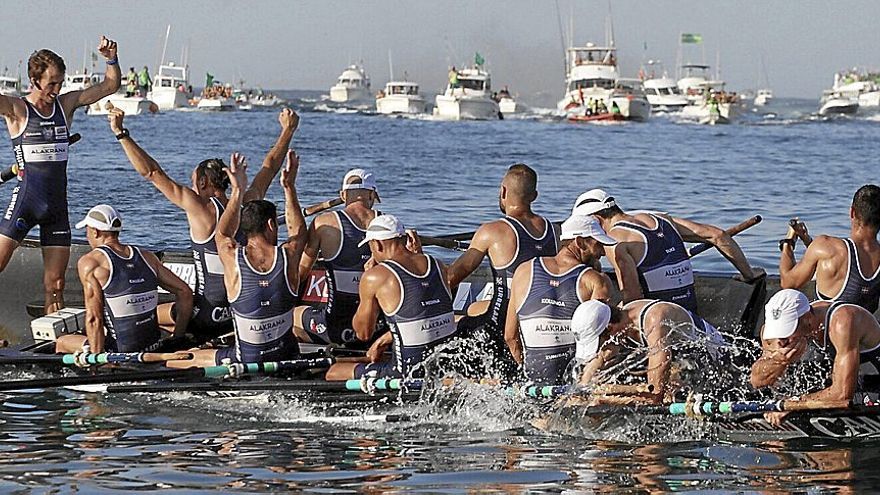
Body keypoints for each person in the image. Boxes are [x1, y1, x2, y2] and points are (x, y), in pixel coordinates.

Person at [108, 107, 301, 340]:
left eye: (192, 182)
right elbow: (269, 167)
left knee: (141, 314)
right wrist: (287, 131)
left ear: (202, 182)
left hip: (205, 316)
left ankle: (174, 341)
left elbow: (152, 172)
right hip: (238, 312)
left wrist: (121, 133)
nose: (191, 188)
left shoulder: (199, 207)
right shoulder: (247, 202)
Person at [0, 36, 120, 315]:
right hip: (25, 203)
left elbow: (110, 86)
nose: (57, 88)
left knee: (55, 284)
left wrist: (111, 58)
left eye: (60, 82)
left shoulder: (65, 105)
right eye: (52, 83)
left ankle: (55, 341)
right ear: (35, 80)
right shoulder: (17, 109)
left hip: (56, 209)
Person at [168, 150, 306, 367]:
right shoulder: (289, 255)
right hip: (287, 356)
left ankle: (167, 354)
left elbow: (222, 235)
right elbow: (298, 231)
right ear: (272, 225)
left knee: (174, 361)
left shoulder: (232, 257)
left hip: (244, 360)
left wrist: (238, 190)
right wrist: (289, 188)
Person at [573, 189, 763, 314]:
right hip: (690, 311)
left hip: (660, 319)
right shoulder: (660, 218)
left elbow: (632, 298)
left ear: (596, 220)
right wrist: (748, 274)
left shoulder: (615, 241)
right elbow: (718, 235)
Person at [448, 164, 558, 373]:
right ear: (534, 195)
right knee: (472, 310)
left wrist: (417, 260)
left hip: (500, 325)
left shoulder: (493, 231)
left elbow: (451, 278)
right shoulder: (554, 231)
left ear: (503, 191)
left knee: (450, 328)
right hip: (540, 317)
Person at [325, 215, 458, 380]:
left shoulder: (375, 276)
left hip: (408, 372)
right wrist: (382, 341)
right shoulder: (437, 264)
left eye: (370, 247)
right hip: (446, 362)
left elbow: (363, 333)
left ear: (378, 244)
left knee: (333, 372)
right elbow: (426, 314)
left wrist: (367, 284)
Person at [55, 205, 193, 354]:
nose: (86, 236)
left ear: (95, 231)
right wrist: (177, 339)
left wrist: (97, 361)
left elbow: (94, 318)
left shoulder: (91, 263)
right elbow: (184, 291)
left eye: (87, 231)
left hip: (120, 352)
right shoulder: (148, 257)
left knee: (62, 342)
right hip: (154, 346)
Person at [504, 214, 616, 385]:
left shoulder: (523, 271)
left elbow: (510, 337)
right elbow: (603, 342)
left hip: (534, 378)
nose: (602, 252)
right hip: (572, 381)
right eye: (598, 244)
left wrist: (526, 370)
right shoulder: (596, 281)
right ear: (580, 242)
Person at [750, 289, 880, 426]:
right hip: (839, 386)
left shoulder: (843, 321)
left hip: (872, 382)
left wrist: (793, 403)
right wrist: (778, 361)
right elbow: (757, 382)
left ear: (808, 319)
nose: (782, 341)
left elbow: (843, 394)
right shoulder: (773, 332)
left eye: (787, 332)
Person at [571, 297, 724, 405]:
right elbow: (600, 358)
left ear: (610, 328)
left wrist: (604, 400)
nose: (602, 346)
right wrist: (582, 389)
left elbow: (655, 395)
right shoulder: (621, 319)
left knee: (664, 395)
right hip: (681, 358)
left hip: (712, 360)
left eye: (599, 341)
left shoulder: (654, 320)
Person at [295, 168, 381, 346]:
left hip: (336, 330)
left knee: (292, 314)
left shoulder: (323, 223)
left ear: (343, 195)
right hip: (375, 329)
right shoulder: (389, 225)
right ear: (372, 195)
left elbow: (300, 274)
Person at [779, 185, 880, 313]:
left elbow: (787, 283)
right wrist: (807, 240)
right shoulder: (827, 249)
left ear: (852, 213)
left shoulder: (826, 247)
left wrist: (788, 242)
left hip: (826, 331)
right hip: (864, 331)